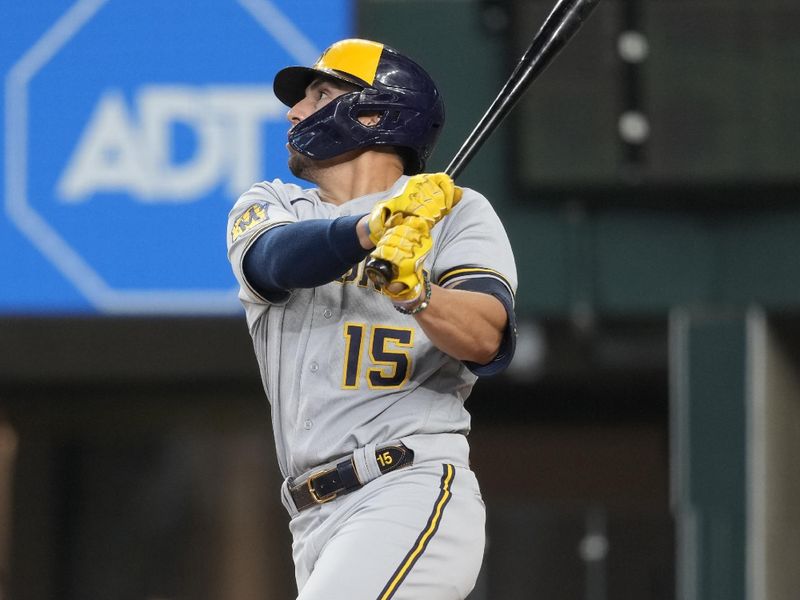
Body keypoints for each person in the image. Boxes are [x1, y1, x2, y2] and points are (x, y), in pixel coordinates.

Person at [226, 38, 517, 600]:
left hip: (404, 487)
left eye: (320, 93)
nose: (295, 111)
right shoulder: (274, 204)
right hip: (308, 519)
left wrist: (417, 294)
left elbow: (486, 337)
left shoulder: (456, 211)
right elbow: (275, 258)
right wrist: (371, 228)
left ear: (373, 111)